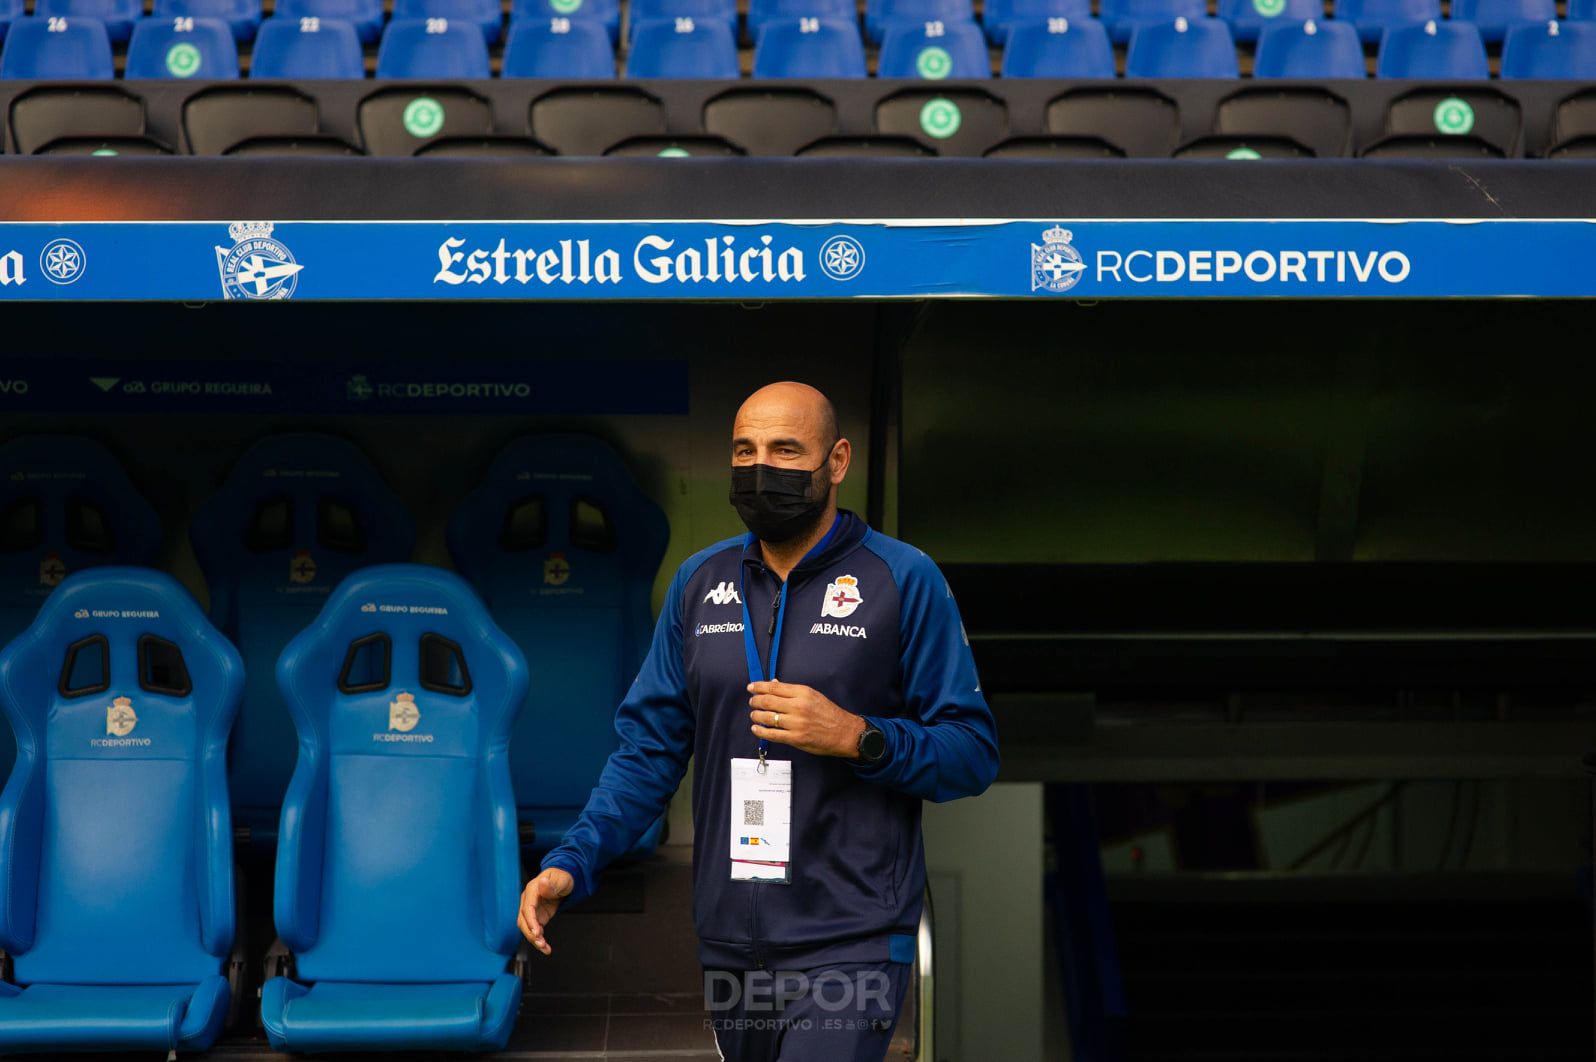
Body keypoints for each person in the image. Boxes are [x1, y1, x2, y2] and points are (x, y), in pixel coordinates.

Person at [518, 381, 1000, 1062]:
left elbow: (972, 752)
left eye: (784, 449)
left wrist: (859, 737)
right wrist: (572, 862)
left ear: (836, 461)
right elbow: (646, 753)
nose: (759, 469)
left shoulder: (901, 578)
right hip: (732, 936)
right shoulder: (698, 581)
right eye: (744, 451)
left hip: (852, 935)